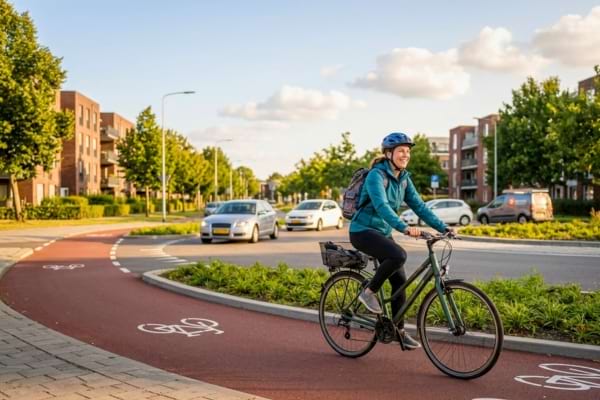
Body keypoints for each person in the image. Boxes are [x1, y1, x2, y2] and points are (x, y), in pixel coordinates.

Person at [349, 132, 452, 350]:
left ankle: (399, 331)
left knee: (400, 281)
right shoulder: (376, 176)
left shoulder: (404, 178)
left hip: (382, 232)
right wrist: (404, 228)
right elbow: (382, 206)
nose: (405, 155)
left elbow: (420, 206)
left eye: (408, 151)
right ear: (389, 154)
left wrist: (443, 228)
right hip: (362, 231)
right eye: (401, 151)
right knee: (399, 255)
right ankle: (368, 292)